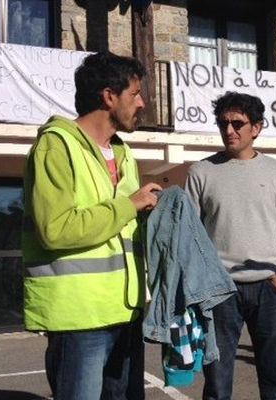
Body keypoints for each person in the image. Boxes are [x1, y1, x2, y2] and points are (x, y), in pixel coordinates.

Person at [22, 51, 162, 400]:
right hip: (78, 316)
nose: (142, 103)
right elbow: (55, 229)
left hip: (126, 310)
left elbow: (127, 225)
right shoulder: (56, 145)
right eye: (135, 94)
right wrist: (129, 205)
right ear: (109, 96)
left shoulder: (124, 154)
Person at [185, 91, 276, 400]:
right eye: (223, 123)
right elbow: (190, 237)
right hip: (220, 291)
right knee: (217, 381)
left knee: (275, 376)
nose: (229, 130)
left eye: (237, 123)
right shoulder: (201, 172)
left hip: (269, 288)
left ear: (257, 127)